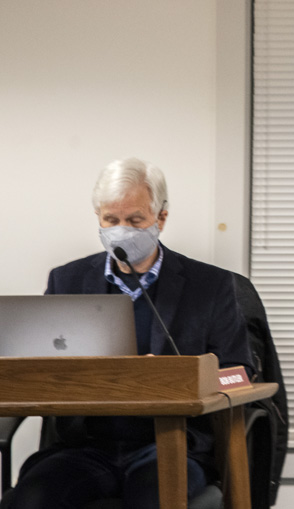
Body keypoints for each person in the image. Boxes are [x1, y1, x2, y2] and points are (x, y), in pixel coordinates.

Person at [6, 157, 256, 508]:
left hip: (171, 443)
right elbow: (42, 366)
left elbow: (240, 374)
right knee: (32, 499)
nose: (121, 229)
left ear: (161, 218)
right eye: (111, 220)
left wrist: (180, 379)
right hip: (86, 447)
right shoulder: (68, 280)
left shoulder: (210, 286)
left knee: (153, 497)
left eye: (135, 220)